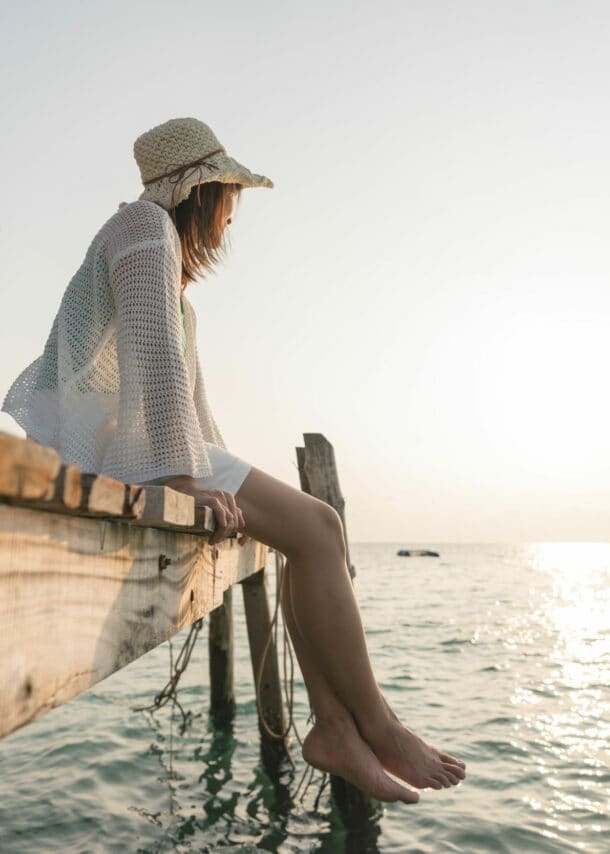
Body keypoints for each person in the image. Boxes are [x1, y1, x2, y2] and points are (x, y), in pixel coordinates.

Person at [1, 117, 466, 804]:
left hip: (143, 443)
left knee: (307, 533)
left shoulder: (163, 264)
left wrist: (224, 484)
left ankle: (337, 726)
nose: (232, 213)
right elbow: (156, 365)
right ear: (202, 188)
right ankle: (377, 725)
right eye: (230, 194)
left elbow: (191, 403)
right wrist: (182, 480)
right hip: (120, 449)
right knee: (321, 529)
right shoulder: (143, 229)